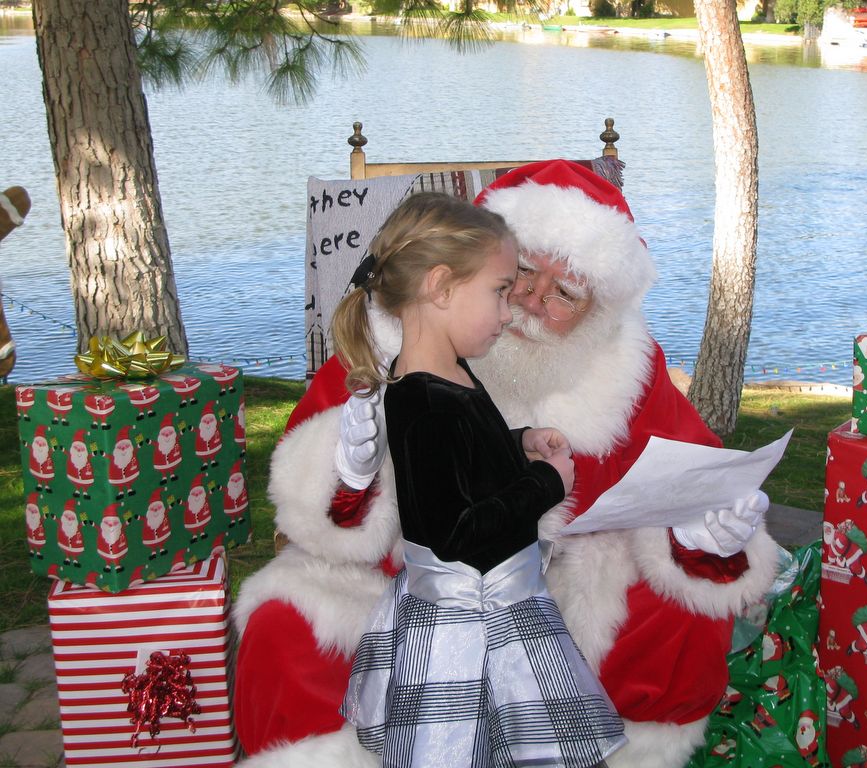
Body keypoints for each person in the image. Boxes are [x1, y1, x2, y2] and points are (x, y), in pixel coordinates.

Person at [233, 160, 779, 767]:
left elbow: (691, 477)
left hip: (560, 587)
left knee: (678, 620)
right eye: (517, 275)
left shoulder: (627, 371)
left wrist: (701, 536)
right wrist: (351, 477)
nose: (531, 301)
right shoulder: (399, 341)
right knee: (289, 625)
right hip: (410, 582)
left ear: (598, 312)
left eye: (566, 294)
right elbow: (322, 502)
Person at [333, 191, 626, 766]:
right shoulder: (425, 401)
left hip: (499, 602)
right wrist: (547, 486)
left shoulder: (449, 371)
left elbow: (468, 461)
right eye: (498, 291)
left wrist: (519, 445)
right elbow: (457, 531)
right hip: (465, 626)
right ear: (441, 287)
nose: (508, 309)